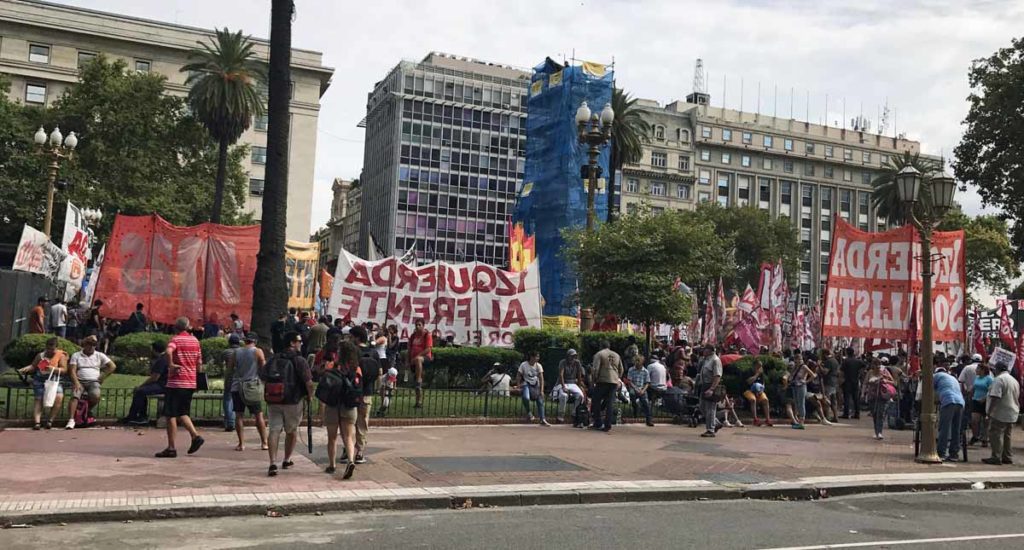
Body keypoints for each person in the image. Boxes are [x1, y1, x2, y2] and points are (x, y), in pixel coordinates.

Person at [263, 331, 314, 476]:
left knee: (274, 430)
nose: (300, 343)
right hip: (293, 400)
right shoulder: (299, 360)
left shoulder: (274, 358)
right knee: (291, 431)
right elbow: (309, 382)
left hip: (274, 399)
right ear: (292, 343)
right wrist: (310, 396)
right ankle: (286, 459)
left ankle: (272, 462)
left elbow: (263, 375)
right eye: (298, 341)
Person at [155, 318, 204, 458]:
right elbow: (199, 363)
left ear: (176, 328)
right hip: (190, 382)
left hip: (176, 382)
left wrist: (171, 365)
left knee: (170, 414)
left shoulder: (175, 340)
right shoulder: (195, 341)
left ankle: (171, 447)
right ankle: (195, 436)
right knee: (183, 412)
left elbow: (169, 352)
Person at [321, 340, 361, 480]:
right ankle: (350, 461)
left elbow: (325, 382)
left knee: (332, 437)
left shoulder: (333, 366)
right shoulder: (356, 368)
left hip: (333, 405)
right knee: (348, 437)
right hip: (349, 406)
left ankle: (332, 465)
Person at [227, 332, 269, 452]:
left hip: (237, 386)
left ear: (245, 341)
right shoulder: (257, 351)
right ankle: (264, 442)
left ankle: (241, 443)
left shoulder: (236, 352)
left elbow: (230, 368)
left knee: (238, 415)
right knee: (258, 415)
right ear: (255, 341)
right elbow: (263, 366)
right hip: (252, 386)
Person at [64, 335, 116, 429]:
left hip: (94, 381)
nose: (91, 347)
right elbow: (72, 370)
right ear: (85, 345)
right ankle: (71, 420)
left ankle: (85, 410)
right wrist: (76, 382)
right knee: (75, 395)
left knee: (96, 395)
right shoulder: (76, 355)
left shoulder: (99, 355)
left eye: (94, 345)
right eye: (89, 344)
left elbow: (112, 366)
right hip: (80, 380)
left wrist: (103, 377)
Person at [18, 336, 68, 430]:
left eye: (52, 349)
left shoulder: (61, 356)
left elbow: (64, 370)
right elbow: (33, 366)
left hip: (53, 380)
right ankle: (37, 422)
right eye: (48, 348)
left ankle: (50, 420)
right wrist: (27, 368)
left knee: (59, 397)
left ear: (56, 348)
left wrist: (53, 369)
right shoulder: (41, 355)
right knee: (39, 399)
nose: (49, 351)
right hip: (40, 379)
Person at [348, 325, 381, 464]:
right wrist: (377, 388)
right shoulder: (373, 353)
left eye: (351, 336)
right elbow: (379, 372)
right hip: (367, 392)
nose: (349, 339)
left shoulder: (352, 352)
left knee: (349, 422)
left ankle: (347, 450)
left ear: (356, 337)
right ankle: (360, 452)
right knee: (362, 423)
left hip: (351, 392)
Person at [122, 341, 168, 426]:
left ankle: (139, 416)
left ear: (154, 350)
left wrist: (141, 385)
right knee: (142, 391)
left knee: (140, 391)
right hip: (164, 383)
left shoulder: (162, 360)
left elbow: (154, 377)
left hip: (163, 385)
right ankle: (134, 416)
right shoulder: (166, 358)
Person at [983, 361, 1020, 466]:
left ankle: (996, 457)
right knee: (1007, 436)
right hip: (1012, 412)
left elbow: (995, 396)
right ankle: (1007, 457)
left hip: (1000, 412)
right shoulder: (1014, 380)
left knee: (995, 434)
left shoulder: (999, 380)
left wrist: (989, 412)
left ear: (997, 369)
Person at [933, 361, 965, 461]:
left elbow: (931, 392)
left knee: (944, 428)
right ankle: (954, 454)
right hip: (960, 402)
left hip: (948, 401)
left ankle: (941, 453)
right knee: (956, 429)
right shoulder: (953, 378)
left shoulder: (935, 376)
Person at [590, 340, 623, 432]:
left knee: (596, 401)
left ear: (601, 346)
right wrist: (617, 377)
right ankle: (607, 425)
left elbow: (595, 369)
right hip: (614, 381)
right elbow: (621, 369)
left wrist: (594, 380)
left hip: (603, 380)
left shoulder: (599, 354)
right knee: (610, 403)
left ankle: (598, 422)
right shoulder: (617, 355)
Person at [864, 360, 896, 440]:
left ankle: (879, 433)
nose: (878, 366)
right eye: (876, 364)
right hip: (872, 396)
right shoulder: (870, 373)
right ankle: (876, 431)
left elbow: (893, 382)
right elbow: (865, 383)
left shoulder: (884, 372)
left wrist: (886, 380)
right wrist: (862, 393)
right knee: (874, 414)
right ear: (873, 365)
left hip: (883, 395)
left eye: (879, 364)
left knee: (880, 414)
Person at [551, 349, 585, 423]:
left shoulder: (577, 362)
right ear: (568, 356)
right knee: (563, 396)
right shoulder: (563, 362)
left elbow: (579, 375)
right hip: (563, 383)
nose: (573, 357)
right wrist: (563, 386)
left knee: (580, 396)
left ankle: (574, 414)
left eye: (575, 356)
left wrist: (579, 386)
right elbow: (561, 375)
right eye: (572, 356)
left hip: (573, 383)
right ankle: (560, 417)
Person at [697, 345, 723, 437]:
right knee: (702, 407)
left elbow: (717, 376)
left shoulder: (715, 360)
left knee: (710, 409)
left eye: (705, 349)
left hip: (711, 385)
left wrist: (712, 389)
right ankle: (716, 423)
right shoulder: (706, 360)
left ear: (710, 350)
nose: (703, 351)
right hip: (704, 385)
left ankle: (710, 429)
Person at [516, 351, 549, 426]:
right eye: (536, 356)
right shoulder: (524, 365)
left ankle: (542, 419)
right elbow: (518, 375)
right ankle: (529, 412)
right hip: (526, 384)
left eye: (538, 357)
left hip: (535, 384)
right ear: (531, 357)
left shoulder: (538, 366)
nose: (538, 358)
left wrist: (542, 390)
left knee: (540, 401)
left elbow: (541, 378)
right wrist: (518, 386)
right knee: (526, 397)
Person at [408, 319, 433, 408]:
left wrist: (417, 357)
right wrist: (409, 360)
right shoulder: (413, 336)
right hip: (414, 362)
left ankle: (419, 380)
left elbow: (428, 349)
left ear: (423, 325)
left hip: (425, 358)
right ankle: (418, 402)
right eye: (416, 325)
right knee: (416, 384)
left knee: (418, 360)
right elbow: (410, 349)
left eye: (419, 325)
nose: (417, 327)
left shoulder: (427, 335)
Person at [968, 362, 993, 447]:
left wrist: (985, 398)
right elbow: (974, 387)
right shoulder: (977, 378)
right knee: (974, 420)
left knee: (985, 421)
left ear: (983, 370)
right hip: (976, 400)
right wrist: (970, 393)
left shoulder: (989, 379)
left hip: (985, 402)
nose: (976, 370)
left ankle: (985, 438)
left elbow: (991, 391)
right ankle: (975, 436)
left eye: (978, 369)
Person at [221, 334, 242, 432]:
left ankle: (230, 422)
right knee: (237, 400)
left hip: (229, 378)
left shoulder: (226, 352)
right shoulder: (242, 351)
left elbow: (220, 363)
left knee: (227, 399)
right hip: (240, 379)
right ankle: (236, 420)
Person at [626, 356, 655, 427]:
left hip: (642, 388)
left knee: (646, 402)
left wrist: (643, 390)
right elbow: (629, 381)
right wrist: (636, 388)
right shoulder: (631, 369)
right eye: (636, 361)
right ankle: (635, 407)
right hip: (634, 387)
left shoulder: (645, 371)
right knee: (632, 394)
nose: (637, 363)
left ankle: (649, 420)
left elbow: (647, 383)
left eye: (639, 362)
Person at [743, 360, 773, 427]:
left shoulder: (761, 374)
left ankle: (767, 419)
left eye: (761, 366)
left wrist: (761, 391)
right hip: (748, 390)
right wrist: (756, 374)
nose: (760, 367)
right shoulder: (748, 372)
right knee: (753, 400)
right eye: (758, 366)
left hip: (759, 390)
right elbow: (748, 382)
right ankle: (755, 419)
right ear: (754, 366)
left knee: (765, 400)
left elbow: (763, 384)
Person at [788, 354, 814, 428]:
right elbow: (791, 375)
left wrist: (805, 381)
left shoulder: (804, 366)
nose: (798, 361)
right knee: (796, 403)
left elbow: (813, 375)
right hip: (794, 386)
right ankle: (797, 420)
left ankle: (802, 422)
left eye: (800, 359)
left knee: (801, 403)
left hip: (801, 386)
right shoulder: (795, 367)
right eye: (797, 359)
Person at [840, 347, 866, 419]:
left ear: (847, 352)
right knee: (855, 398)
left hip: (847, 381)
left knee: (847, 398)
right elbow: (865, 366)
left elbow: (841, 372)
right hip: (855, 381)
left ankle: (846, 413)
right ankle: (857, 414)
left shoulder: (846, 361)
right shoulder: (858, 361)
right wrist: (860, 373)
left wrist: (840, 381)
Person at [820, 349, 840, 422]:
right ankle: (835, 417)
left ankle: (827, 417)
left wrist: (819, 366)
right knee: (833, 401)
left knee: (827, 400)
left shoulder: (828, 361)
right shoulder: (835, 361)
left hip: (828, 382)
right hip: (834, 382)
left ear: (825, 354)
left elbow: (825, 372)